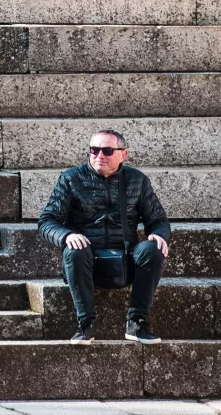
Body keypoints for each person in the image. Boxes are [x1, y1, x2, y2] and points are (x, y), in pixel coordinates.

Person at [37, 129, 171, 344]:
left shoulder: (137, 180)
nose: (99, 155)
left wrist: (158, 235)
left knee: (152, 249)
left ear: (123, 155)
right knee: (74, 249)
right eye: (94, 150)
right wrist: (66, 235)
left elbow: (158, 221)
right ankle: (84, 324)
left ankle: (137, 322)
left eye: (107, 150)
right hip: (85, 259)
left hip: (126, 260)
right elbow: (47, 221)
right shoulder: (71, 178)